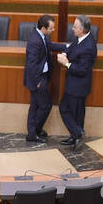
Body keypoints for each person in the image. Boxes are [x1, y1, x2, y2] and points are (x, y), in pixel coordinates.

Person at [55, 16, 96, 147]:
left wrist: (67, 64)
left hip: (79, 86)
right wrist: (65, 54)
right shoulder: (80, 38)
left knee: (69, 110)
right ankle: (75, 136)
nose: (72, 29)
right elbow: (71, 48)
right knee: (72, 112)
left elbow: (82, 70)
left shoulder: (89, 46)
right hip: (73, 85)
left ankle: (78, 133)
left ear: (82, 29)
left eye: (75, 27)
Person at [23, 14, 65, 144]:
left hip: (41, 77)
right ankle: (35, 130)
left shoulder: (41, 36)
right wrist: (37, 82)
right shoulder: (35, 41)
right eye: (51, 28)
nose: (53, 30)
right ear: (43, 28)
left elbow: (50, 46)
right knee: (45, 106)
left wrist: (67, 47)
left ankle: (33, 132)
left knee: (35, 105)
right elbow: (32, 64)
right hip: (38, 79)